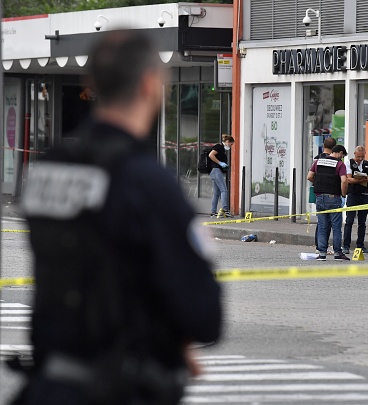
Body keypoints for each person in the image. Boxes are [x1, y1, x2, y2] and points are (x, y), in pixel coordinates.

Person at [17, 30, 223, 404]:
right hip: (118, 387)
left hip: (48, 382)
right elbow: (203, 313)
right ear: (148, 84)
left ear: (91, 82)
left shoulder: (50, 167)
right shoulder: (144, 180)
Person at [307, 144, 350, 261]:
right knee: (336, 227)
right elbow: (344, 181)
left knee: (322, 226)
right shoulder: (339, 164)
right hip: (333, 197)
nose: (342, 158)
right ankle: (337, 253)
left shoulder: (318, 162)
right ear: (340, 153)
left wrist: (319, 182)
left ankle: (322, 253)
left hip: (320, 197)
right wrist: (343, 194)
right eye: (342, 156)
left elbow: (309, 176)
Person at [342, 145, 368, 255]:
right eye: (358, 157)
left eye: (362, 157)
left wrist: (365, 179)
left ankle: (360, 245)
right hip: (353, 195)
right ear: (354, 154)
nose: (360, 159)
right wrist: (359, 180)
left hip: (364, 195)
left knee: (362, 222)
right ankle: (346, 246)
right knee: (349, 221)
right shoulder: (349, 163)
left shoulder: (367, 164)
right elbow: (348, 179)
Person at [313, 137, 336, 254]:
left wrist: (316, 182)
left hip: (318, 192)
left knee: (320, 221)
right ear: (334, 148)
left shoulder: (317, 159)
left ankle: (319, 245)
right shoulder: (333, 160)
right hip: (330, 193)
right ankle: (323, 246)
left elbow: (310, 175)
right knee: (328, 223)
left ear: (323, 145)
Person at [208, 134, 235, 218]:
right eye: (231, 144)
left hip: (214, 171)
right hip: (216, 170)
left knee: (216, 193)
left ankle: (213, 212)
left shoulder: (221, 148)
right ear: (227, 142)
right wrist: (219, 163)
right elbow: (211, 155)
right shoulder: (219, 147)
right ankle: (225, 210)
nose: (231, 146)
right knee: (224, 190)